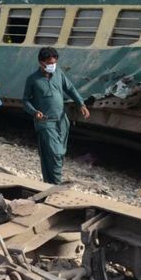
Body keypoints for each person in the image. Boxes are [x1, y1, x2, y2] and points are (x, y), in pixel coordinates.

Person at [23, 47, 90, 184]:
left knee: (57, 153)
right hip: (45, 122)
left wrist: (81, 104)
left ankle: (50, 182)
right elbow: (25, 100)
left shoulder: (59, 74)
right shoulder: (33, 80)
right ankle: (57, 182)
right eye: (49, 63)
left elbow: (70, 88)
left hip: (61, 120)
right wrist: (34, 112)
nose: (52, 65)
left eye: (54, 63)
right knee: (56, 152)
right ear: (41, 63)